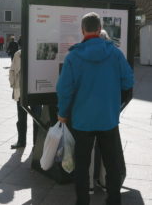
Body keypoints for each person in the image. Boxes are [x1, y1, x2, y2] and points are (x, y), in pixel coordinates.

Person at [56, 12, 134, 205]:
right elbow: (128, 81)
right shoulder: (115, 53)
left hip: (82, 120)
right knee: (112, 163)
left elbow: (64, 90)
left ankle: (83, 201)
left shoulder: (73, 56)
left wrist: (63, 114)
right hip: (108, 118)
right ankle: (114, 200)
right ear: (99, 30)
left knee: (82, 164)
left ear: (83, 30)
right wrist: (115, 104)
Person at [9, 40, 41, 149]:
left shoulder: (37, 53)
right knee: (21, 118)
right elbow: (12, 70)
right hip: (21, 91)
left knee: (37, 119)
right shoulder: (18, 54)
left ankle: (36, 144)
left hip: (35, 91)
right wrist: (13, 84)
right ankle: (21, 141)